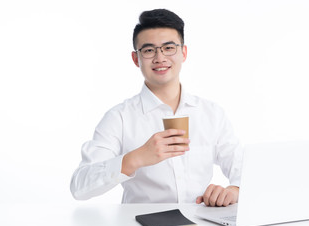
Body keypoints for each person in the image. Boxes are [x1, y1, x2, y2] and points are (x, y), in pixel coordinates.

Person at [70, 9, 242, 207]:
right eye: (149, 50)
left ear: (183, 52)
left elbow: (245, 170)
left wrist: (234, 190)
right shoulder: (120, 118)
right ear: (136, 59)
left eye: (169, 48)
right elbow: (79, 186)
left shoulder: (211, 114)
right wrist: (135, 158)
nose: (160, 58)